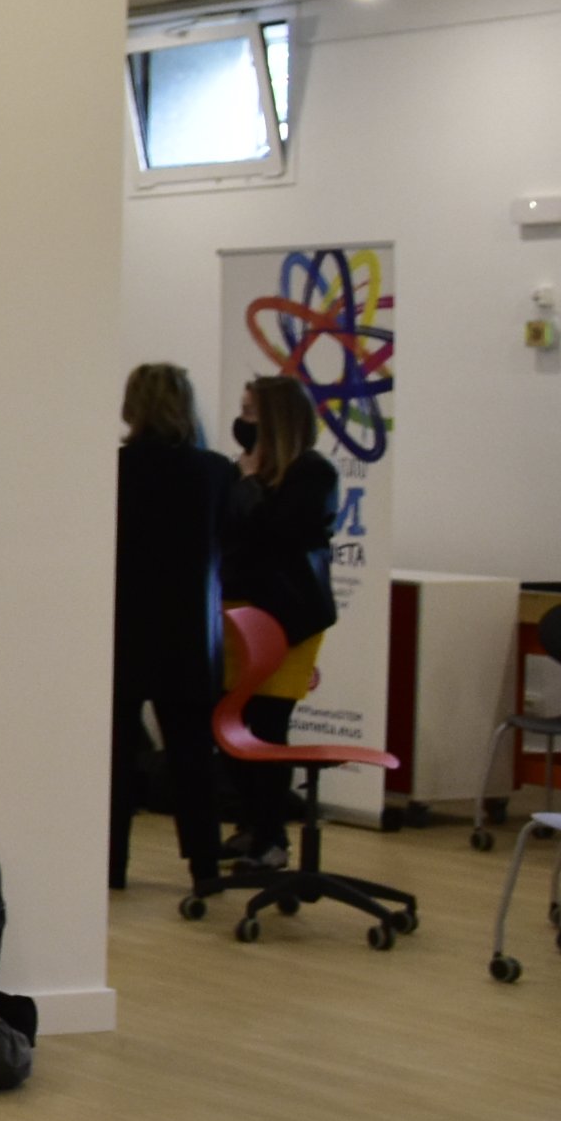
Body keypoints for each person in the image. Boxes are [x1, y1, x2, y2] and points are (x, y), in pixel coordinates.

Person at [111, 361, 239, 902]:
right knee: (192, 755)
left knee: (115, 755)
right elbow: (231, 546)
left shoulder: (113, 470)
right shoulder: (215, 472)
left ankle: (111, 862)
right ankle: (205, 866)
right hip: (188, 631)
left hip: (122, 628)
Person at [220, 371, 342, 871]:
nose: (241, 420)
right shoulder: (242, 470)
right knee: (230, 725)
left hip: (289, 618)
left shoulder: (313, 473)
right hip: (237, 613)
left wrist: (249, 482)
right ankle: (252, 824)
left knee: (267, 725)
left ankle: (272, 840)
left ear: (274, 419)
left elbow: (279, 533)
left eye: (250, 412)